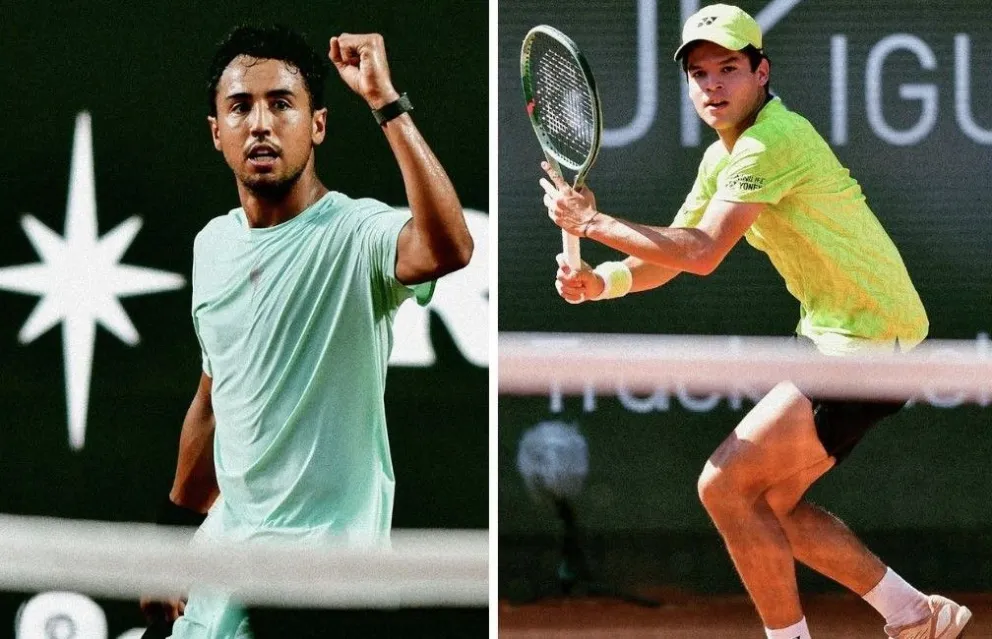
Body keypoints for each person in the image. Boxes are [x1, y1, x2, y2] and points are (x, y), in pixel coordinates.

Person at [543, 4, 970, 639]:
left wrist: (592, 225)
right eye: (699, 74)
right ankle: (914, 614)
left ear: (761, 72)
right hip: (852, 335)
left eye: (728, 68)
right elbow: (676, 250)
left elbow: (702, 253)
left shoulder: (776, 140)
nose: (712, 85)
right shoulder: (725, 158)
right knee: (768, 505)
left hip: (869, 342)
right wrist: (600, 281)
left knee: (723, 485)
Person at [139, 24, 473, 639]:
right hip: (221, 569)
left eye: (281, 103)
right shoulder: (211, 246)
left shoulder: (359, 234)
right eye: (240, 107)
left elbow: (448, 248)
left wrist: (385, 103)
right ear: (218, 134)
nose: (260, 123)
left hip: (323, 583)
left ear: (316, 124)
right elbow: (215, 403)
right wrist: (170, 548)